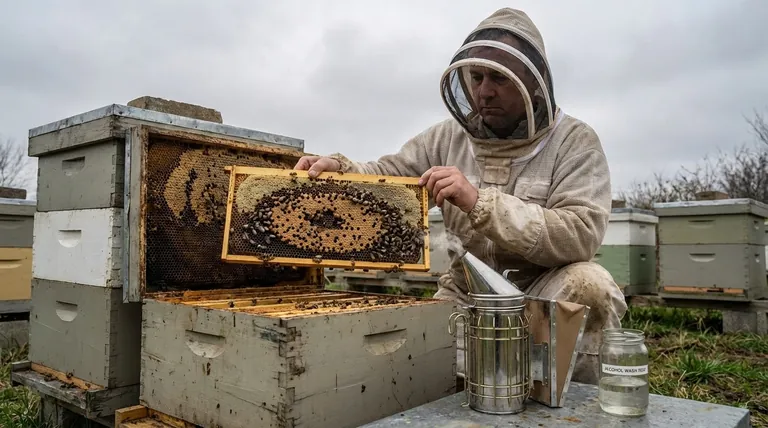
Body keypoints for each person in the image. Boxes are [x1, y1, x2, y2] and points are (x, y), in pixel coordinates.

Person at [294, 7, 627, 385]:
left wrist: (480, 202)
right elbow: (391, 178)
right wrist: (344, 171)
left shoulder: (575, 142)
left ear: (533, 84)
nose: (484, 91)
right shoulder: (444, 138)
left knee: (590, 286)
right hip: (467, 297)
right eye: (477, 77)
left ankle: (575, 407)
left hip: (541, 296)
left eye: (499, 78)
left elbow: (580, 233)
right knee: (414, 377)